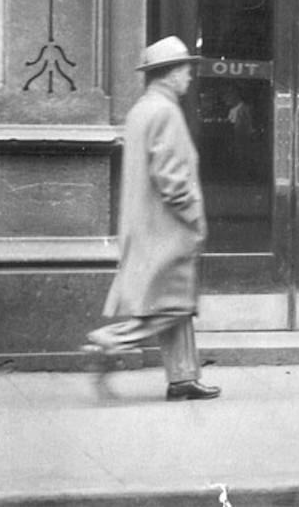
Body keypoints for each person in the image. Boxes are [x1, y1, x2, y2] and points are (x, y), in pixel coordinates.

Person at [84, 36, 220, 401]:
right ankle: (109, 342)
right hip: (169, 227)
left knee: (175, 300)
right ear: (170, 73)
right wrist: (194, 217)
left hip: (147, 226)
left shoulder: (142, 109)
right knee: (172, 304)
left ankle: (183, 377)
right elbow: (172, 178)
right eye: (186, 69)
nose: (189, 76)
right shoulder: (165, 112)